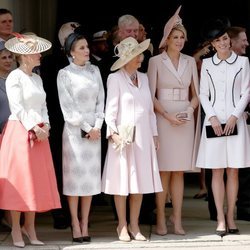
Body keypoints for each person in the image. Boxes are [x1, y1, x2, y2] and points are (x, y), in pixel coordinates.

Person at [0, 33, 61, 248]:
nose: (40, 55)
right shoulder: (14, 77)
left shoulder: (37, 77)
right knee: (20, 180)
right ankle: (17, 228)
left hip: (39, 132)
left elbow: (43, 105)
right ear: (25, 56)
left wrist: (46, 126)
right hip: (20, 130)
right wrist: (34, 127)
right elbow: (17, 107)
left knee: (35, 181)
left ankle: (30, 226)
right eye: (36, 52)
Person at [102, 37, 162, 242]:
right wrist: (114, 134)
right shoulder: (115, 79)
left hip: (144, 137)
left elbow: (150, 111)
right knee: (122, 183)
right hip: (123, 138)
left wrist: (154, 134)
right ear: (127, 59)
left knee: (140, 182)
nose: (141, 59)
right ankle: (122, 224)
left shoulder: (144, 78)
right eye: (137, 56)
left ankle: (135, 224)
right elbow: (109, 112)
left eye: (140, 55)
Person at [147, 5, 200, 236]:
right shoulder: (155, 62)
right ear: (166, 39)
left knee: (179, 171)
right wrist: (167, 116)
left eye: (182, 37)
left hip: (184, 119)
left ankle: (176, 219)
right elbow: (150, 96)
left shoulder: (190, 61)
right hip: (163, 119)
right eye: (175, 37)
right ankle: (160, 217)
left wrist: (189, 111)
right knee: (163, 171)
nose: (179, 41)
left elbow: (197, 95)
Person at [196, 18, 250, 237]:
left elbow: (246, 91)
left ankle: (230, 217)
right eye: (218, 41)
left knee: (234, 171)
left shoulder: (243, 62)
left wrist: (234, 116)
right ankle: (219, 217)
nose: (224, 43)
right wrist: (213, 117)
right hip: (215, 123)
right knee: (216, 171)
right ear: (213, 44)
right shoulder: (207, 64)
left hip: (235, 122)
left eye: (226, 38)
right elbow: (203, 93)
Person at [57, 32, 104, 243]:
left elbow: (101, 100)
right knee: (74, 181)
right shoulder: (64, 74)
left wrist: (98, 125)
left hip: (94, 132)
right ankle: (74, 223)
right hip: (75, 134)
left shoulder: (95, 71)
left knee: (89, 181)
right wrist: (87, 127)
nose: (87, 51)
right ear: (71, 52)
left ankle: (85, 222)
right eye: (82, 48)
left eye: (87, 47)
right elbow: (68, 108)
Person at [40, 21, 81, 230]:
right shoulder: (49, 62)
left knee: (77, 168)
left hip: (79, 124)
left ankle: (78, 214)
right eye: (73, 37)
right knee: (58, 167)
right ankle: (60, 212)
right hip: (58, 122)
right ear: (64, 41)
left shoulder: (84, 61)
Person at [227, 26, 250, 221]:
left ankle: (243, 207)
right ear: (231, 41)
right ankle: (217, 212)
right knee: (219, 169)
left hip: (242, 117)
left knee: (242, 167)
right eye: (243, 40)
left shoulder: (244, 62)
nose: (247, 43)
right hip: (221, 118)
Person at [0, 40, 13, 232]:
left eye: (10, 57)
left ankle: (11, 221)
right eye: (3, 57)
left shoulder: (15, 78)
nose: (8, 60)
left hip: (13, 136)